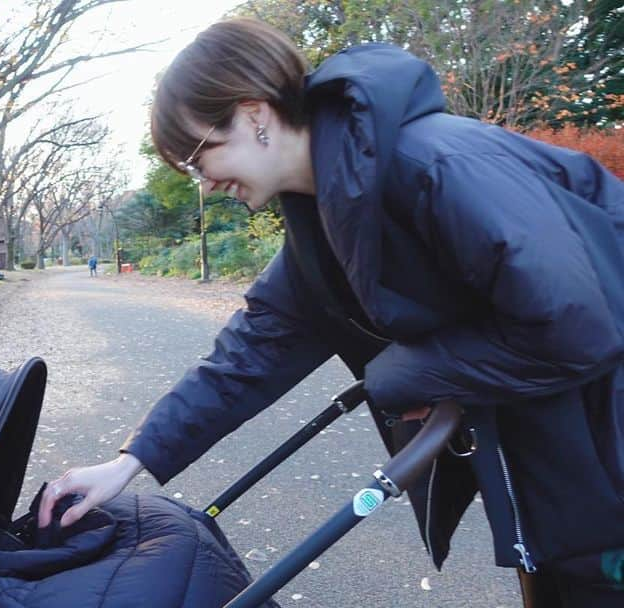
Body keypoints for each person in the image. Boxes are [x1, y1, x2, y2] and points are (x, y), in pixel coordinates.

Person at [38, 18, 624, 608]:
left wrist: (404, 375)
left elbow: (576, 326)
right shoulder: (323, 215)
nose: (205, 185)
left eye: (198, 157)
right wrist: (128, 463)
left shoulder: (438, 164)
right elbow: (251, 353)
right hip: (555, 454)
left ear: (254, 115)